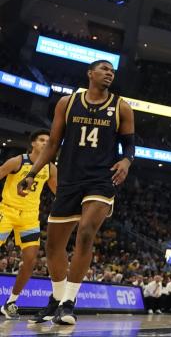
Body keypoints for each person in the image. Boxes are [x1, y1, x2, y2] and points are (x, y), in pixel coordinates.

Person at [19, 60, 135, 325]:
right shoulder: (67, 103)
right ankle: (56, 300)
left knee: (85, 233)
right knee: (53, 245)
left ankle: (70, 303)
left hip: (101, 180)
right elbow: (52, 146)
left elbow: (130, 146)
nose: (109, 73)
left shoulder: (122, 107)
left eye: (112, 71)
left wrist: (126, 162)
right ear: (90, 74)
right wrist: (32, 174)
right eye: (104, 69)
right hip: (69, 178)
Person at [0, 130, 58, 319]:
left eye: (48, 141)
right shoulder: (18, 161)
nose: (44, 143)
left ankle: (10, 302)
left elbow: (58, 191)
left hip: (30, 217)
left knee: (31, 259)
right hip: (6, 211)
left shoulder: (50, 168)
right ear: (33, 143)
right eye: (41, 140)